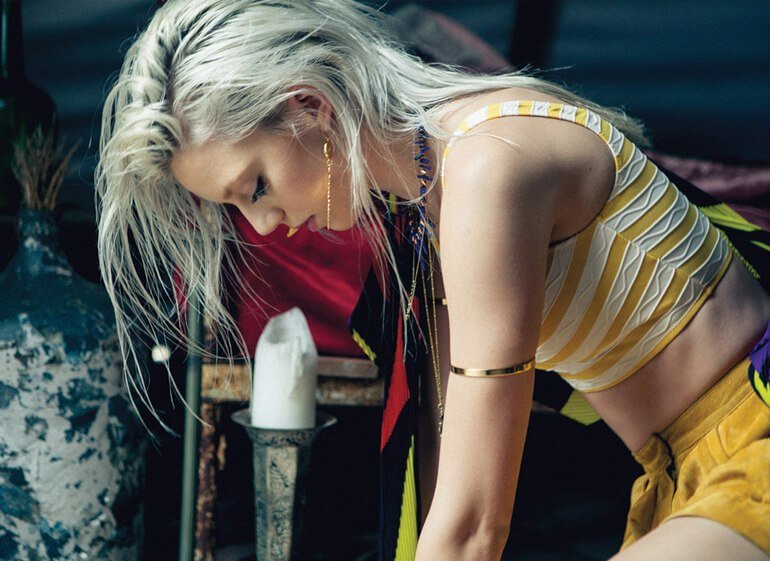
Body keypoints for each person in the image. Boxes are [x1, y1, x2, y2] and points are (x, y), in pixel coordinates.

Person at [96, 1, 770, 559]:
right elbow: (445, 485)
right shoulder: (431, 204)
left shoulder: (487, 168)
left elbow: (475, 525)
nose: (263, 224)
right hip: (680, 476)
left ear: (308, 105)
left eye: (256, 186)